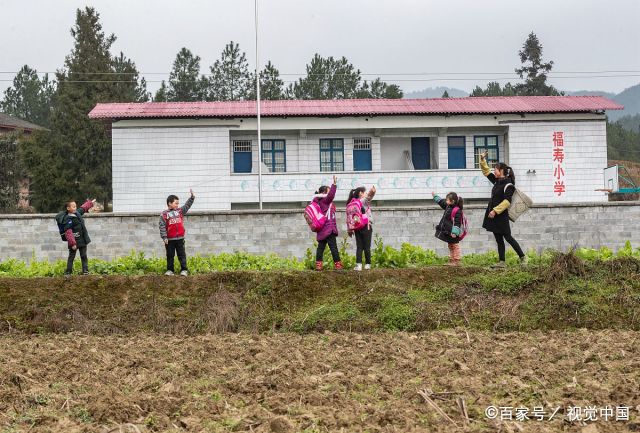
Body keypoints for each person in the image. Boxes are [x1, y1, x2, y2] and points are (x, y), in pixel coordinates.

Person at [479, 150, 527, 267]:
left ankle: (523, 258)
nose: (494, 171)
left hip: (500, 215)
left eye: (495, 169)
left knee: (508, 237)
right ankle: (502, 262)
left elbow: (507, 201)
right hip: (493, 214)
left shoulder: (508, 185)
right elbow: (486, 172)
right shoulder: (497, 181)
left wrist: (495, 211)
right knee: (498, 239)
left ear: (501, 171)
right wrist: (482, 160)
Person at [55, 198, 96, 275]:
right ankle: (68, 272)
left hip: (82, 240)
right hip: (74, 241)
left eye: (75, 206)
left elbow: (83, 208)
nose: (75, 208)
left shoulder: (77, 213)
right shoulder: (68, 219)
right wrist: (72, 243)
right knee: (71, 257)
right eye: (73, 206)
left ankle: (85, 271)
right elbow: (68, 232)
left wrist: (90, 203)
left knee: (84, 256)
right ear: (68, 208)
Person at [159, 189, 195, 276]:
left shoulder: (180, 211)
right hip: (170, 239)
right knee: (170, 255)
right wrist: (164, 237)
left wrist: (192, 197)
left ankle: (184, 270)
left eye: (178, 203)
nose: (177, 205)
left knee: (181, 254)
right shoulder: (164, 214)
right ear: (169, 203)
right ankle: (170, 270)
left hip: (180, 238)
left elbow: (187, 205)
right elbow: (162, 226)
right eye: (176, 203)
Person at [313, 176, 343, 271]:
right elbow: (331, 195)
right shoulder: (325, 201)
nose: (330, 193)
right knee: (333, 247)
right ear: (324, 193)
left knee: (321, 247)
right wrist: (334, 184)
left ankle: (318, 265)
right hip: (329, 229)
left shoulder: (319, 202)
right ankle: (338, 265)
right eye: (328, 191)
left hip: (322, 229)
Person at [346, 185, 376, 270]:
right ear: (360, 193)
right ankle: (367, 264)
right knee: (367, 247)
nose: (366, 194)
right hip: (366, 226)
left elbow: (348, 218)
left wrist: (349, 230)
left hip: (357, 228)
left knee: (359, 247)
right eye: (364, 192)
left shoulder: (350, 204)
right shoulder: (362, 201)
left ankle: (358, 265)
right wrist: (372, 191)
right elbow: (369, 197)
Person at [432, 191, 464, 266]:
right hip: (448, 231)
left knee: (455, 245)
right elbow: (441, 202)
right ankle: (452, 260)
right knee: (450, 245)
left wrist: (455, 232)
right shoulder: (448, 206)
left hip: (453, 233)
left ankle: (456, 261)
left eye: (447, 200)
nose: (446, 201)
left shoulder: (457, 210)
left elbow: (457, 222)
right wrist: (435, 196)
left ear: (452, 201)